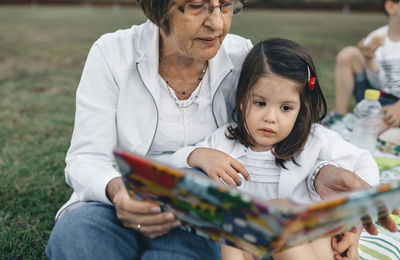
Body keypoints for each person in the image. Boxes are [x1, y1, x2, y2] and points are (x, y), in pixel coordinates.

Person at [46, 1, 397, 259]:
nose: (216, 22)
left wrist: (324, 180)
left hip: (200, 218)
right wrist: (119, 192)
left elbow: (296, 136)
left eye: (226, 6)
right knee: (78, 240)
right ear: (158, 9)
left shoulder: (242, 58)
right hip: (114, 202)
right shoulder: (111, 54)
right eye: (197, 6)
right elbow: (87, 157)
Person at [183, 38, 379, 259]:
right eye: (260, 103)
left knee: (277, 210)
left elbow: (364, 164)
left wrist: (355, 223)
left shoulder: (313, 140)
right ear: (241, 99)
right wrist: (198, 155)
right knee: (232, 223)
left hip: (305, 244)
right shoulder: (224, 141)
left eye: (286, 108)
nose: (270, 118)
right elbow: (175, 167)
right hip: (253, 249)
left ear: (300, 109)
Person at [331, 0, 400, 132]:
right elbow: (379, 83)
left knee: (369, 131)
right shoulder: (377, 38)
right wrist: (369, 59)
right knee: (349, 54)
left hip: (397, 105)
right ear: (391, 6)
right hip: (374, 97)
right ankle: (340, 115)